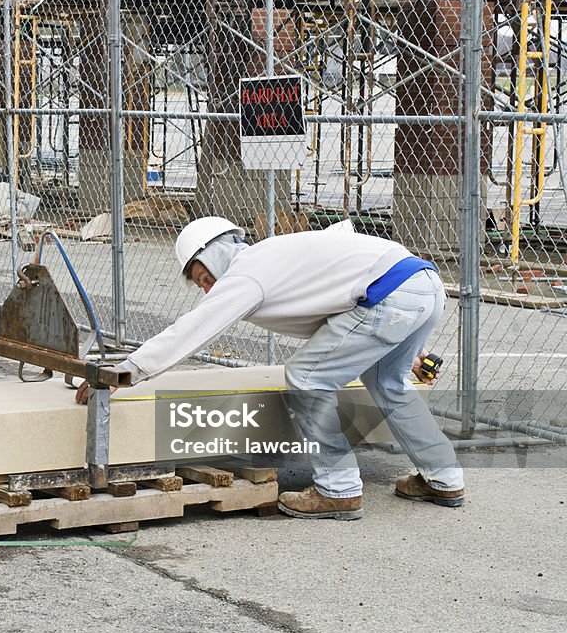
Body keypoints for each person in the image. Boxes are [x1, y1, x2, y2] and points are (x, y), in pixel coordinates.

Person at [75, 217, 464, 520]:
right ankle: (444, 479)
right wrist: (408, 350)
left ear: (215, 253)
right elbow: (350, 300)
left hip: (390, 297)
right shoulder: (277, 257)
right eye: (202, 285)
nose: (209, 289)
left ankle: (338, 489)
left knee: (307, 378)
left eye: (205, 277)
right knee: (389, 383)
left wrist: (124, 373)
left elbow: (190, 331)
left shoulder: (247, 272)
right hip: (423, 285)